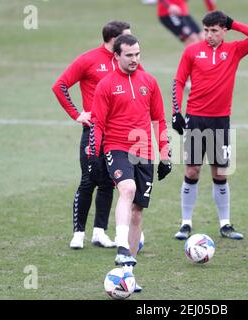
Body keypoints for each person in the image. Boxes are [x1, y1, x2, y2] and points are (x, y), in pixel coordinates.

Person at [171, 11, 248, 240]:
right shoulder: (192, 51)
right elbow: (179, 80)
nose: (209, 35)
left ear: (224, 30)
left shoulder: (233, 50)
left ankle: (225, 224)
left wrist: (234, 23)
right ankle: (185, 223)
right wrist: (176, 111)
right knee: (192, 170)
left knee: (220, 173)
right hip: (195, 118)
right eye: (206, 30)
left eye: (214, 30)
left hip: (221, 120)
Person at [89, 34, 171, 277]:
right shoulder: (105, 85)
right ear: (116, 56)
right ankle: (122, 246)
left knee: (137, 212)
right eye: (129, 55)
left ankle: (128, 273)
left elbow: (159, 119)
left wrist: (165, 154)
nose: (135, 59)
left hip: (143, 151)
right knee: (127, 189)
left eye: (137, 54)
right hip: (117, 147)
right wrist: (95, 155)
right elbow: (98, 123)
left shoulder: (149, 81)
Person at [52, 21, 133, 250]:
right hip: (93, 130)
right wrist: (77, 114)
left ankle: (99, 232)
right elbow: (60, 85)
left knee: (108, 182)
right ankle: (78, 233)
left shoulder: (124, 61)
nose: (131, 41)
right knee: (88, 180)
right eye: (127, 37)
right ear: (114, 39)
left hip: (117, 132)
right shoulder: (89, 60)